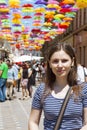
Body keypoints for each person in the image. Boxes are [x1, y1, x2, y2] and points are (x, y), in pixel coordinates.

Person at [28, 43, 87, 130]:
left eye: (64, 61)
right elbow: (33, 121)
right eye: (55, 61)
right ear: (50, 64)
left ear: (72, 62)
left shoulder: (83, 89)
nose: (60, 65)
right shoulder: (42, 89)